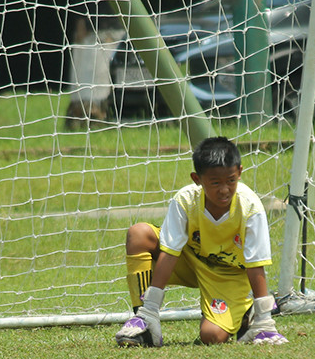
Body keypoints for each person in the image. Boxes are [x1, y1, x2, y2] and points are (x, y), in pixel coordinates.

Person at [116, 136, 287, 346]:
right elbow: (169, 253)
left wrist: (265, 319)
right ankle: (145, 322)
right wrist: (151, 307)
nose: (224, 189)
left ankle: (247, 313)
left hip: (228, 275)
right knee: (139, 234)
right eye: (215, 183)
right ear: (197, 179)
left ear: (240, 172)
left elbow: (255, 265)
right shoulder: (185, 200)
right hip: (189, 261)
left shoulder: (250, 207)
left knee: (211, 336)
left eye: (231, 181)